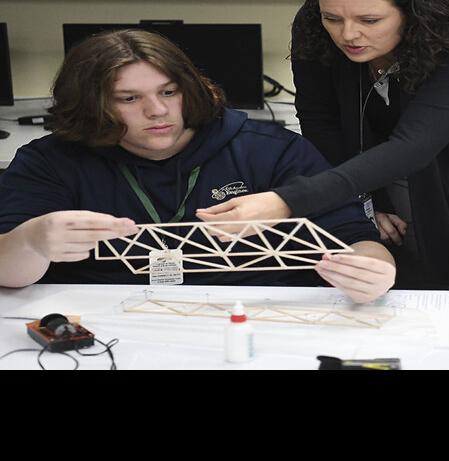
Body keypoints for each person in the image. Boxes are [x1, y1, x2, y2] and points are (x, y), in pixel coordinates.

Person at [196, 0, 449, 289]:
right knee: (398, 262)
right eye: (333, 19)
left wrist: (285, 201)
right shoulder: (315, 20)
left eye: (370, 20)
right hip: (405, 157)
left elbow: (413, 147)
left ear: (413, 11)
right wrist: (365, 199)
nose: (348, 35)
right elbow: (320, 120)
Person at [0, 30, 395, 304]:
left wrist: (373, 270)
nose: (157, 111)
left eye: (168, 92)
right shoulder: (50, 161)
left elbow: (355, 236)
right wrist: (32, 241)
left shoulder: (270, 150)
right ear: (91, 104)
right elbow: (7, 271)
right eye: (128, 98)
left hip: (257, 316)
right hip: (102, 324)